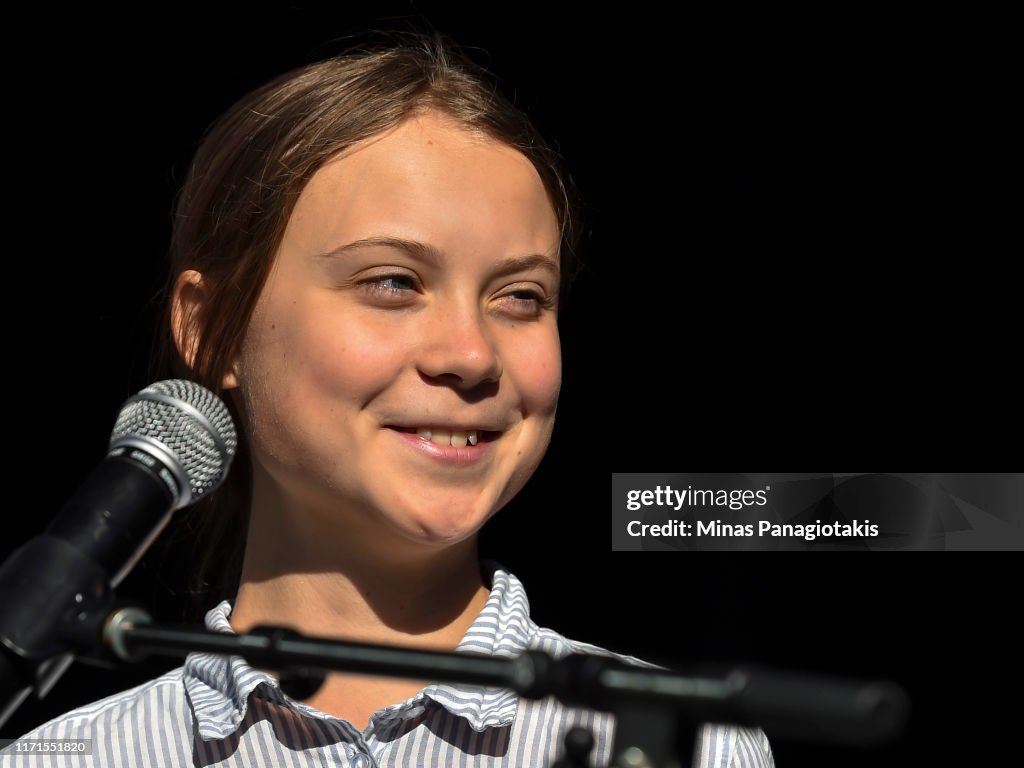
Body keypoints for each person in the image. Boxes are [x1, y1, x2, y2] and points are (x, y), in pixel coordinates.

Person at [2, 32, 773, 767]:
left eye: (520, 297)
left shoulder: (686, 740)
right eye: (393, 283)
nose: (471, 355)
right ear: (211, 331)